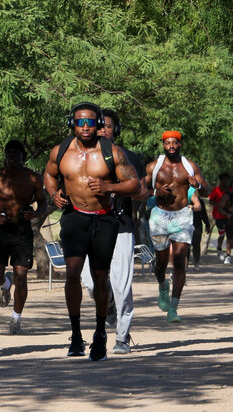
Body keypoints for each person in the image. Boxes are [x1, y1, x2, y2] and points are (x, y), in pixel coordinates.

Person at [43, 102, 140, 361]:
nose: (84, 126)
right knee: (72, 273)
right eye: (79, 121)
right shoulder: (61, 151)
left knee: (100, 277)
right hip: (74, 217)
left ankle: (100, 333)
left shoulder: (112, 152)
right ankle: (76, 335)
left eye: (89, 121)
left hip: (104, 220)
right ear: (71, 124)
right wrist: (54, 194)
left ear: (98, 124)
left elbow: (134, 184)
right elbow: (49, 175)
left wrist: (109, 187)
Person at [80, 109, 147, 354]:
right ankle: (107, 302)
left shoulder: (127, 157)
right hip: (90, 225)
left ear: (115, 130)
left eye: (108, 126)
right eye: (99, 127)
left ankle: (122, 335)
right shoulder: (82, 157)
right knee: (89, 281)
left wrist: (111, 188)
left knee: (122, 284)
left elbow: (142, 192)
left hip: (120, 226)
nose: (103, 131)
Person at [0, 140, 48, 334]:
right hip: (0, 229)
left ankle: (15, 318)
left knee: (22, 275)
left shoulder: (33, 178)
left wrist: (35, 214)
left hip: (21, 231)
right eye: (8, 154)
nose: (11, 158)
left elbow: (43, 204)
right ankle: (5, 284)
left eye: (16, 154)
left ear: (23, 157)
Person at [144, 130, 210, 322]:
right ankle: (163, 285)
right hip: (159, 216)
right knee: (161, 263)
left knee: (180, 261)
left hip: (182, 216)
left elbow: (206, 190)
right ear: (163, 145)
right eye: (168, 143)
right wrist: (156, 192)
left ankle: (174, 308)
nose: (171, 146)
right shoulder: (154, 167)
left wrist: (196, 185)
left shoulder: (189, 166)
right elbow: (139, 189)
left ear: (180, 144)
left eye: (175, 143)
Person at [208, 173, 231, 261]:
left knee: (229, 235)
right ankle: (219, 248)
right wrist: (218, 205)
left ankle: (228, 255)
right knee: (222, 234)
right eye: (223, 180)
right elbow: (210, 201)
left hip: (229, 215)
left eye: (226, 180)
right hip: (218, 215)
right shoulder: (215, 190)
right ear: (220, 181)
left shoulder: (230, 190)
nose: (224, 182)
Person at [189, 185, 210, 271]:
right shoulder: (184, 200)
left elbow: (204, 214)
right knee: (186, 246)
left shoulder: (200, 201)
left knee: (196, 245)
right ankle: (185, 264)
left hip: (197, 225)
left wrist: (207, 225)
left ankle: (196, 263)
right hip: (185, 226)